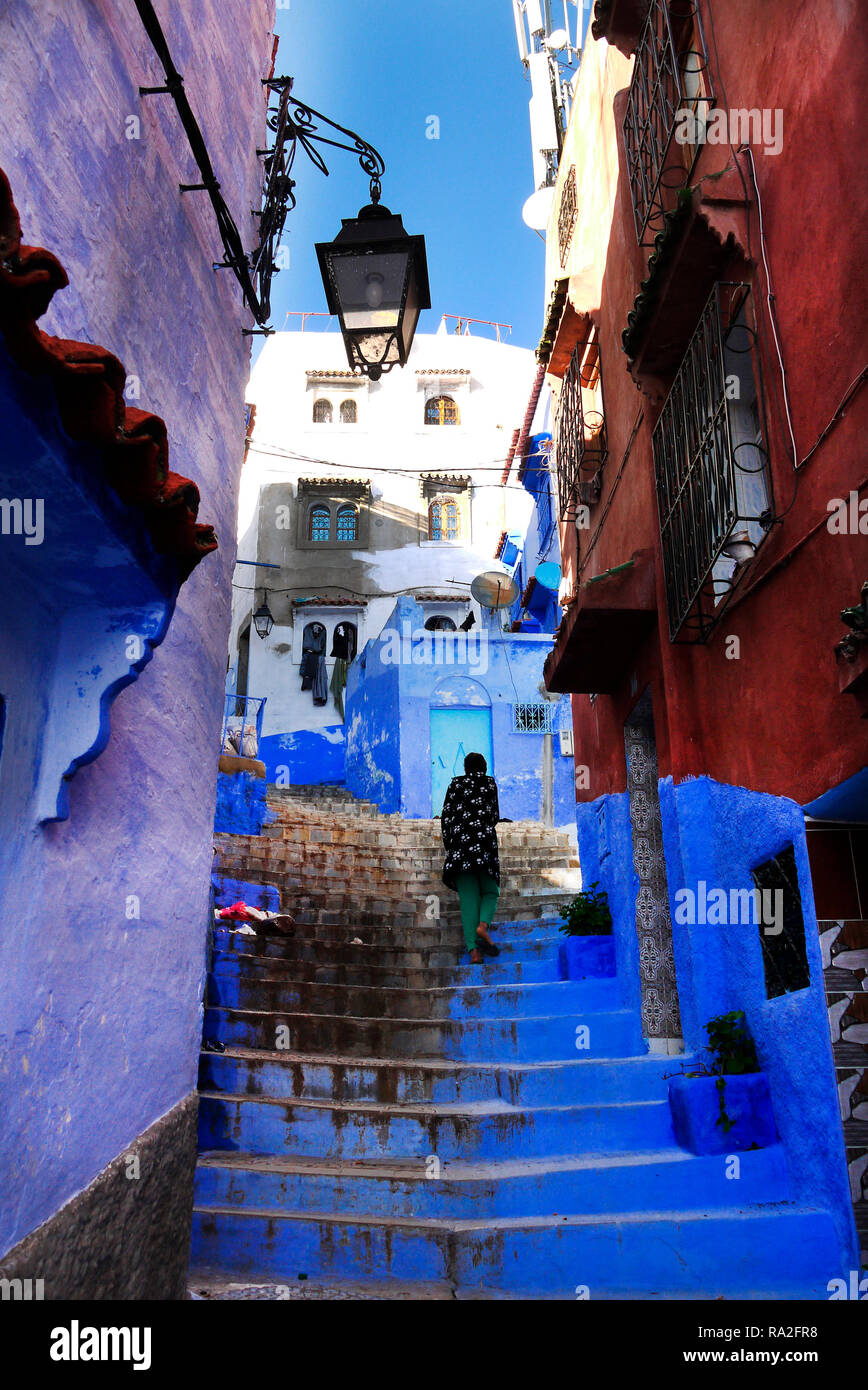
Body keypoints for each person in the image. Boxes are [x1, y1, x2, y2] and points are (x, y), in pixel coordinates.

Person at [440, 752, 501, 964]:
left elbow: (446, 817)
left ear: (465, 768)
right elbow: (494, 816)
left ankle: (474, 952)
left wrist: (452, 847)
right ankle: (483, 926)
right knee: (491, 890)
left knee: (468, 900)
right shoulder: (489, 784)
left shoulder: (454, 785)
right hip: (484, 847)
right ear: (484, 767)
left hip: (459, 848)